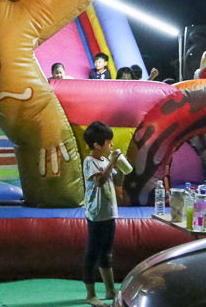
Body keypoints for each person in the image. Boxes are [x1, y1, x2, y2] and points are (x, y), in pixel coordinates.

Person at [82, 121, 128, 306]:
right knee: (93, 252)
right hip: (96, 214)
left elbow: (116, 177)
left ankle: (110, 290)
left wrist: (121, 167)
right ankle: (91, 294)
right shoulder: (89, 161)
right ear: (97, 144)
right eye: (108, 143)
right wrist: (112, 163)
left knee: (107, 253)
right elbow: (100, 181)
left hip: (109, 213)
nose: (111, 146)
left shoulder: (104, 161)